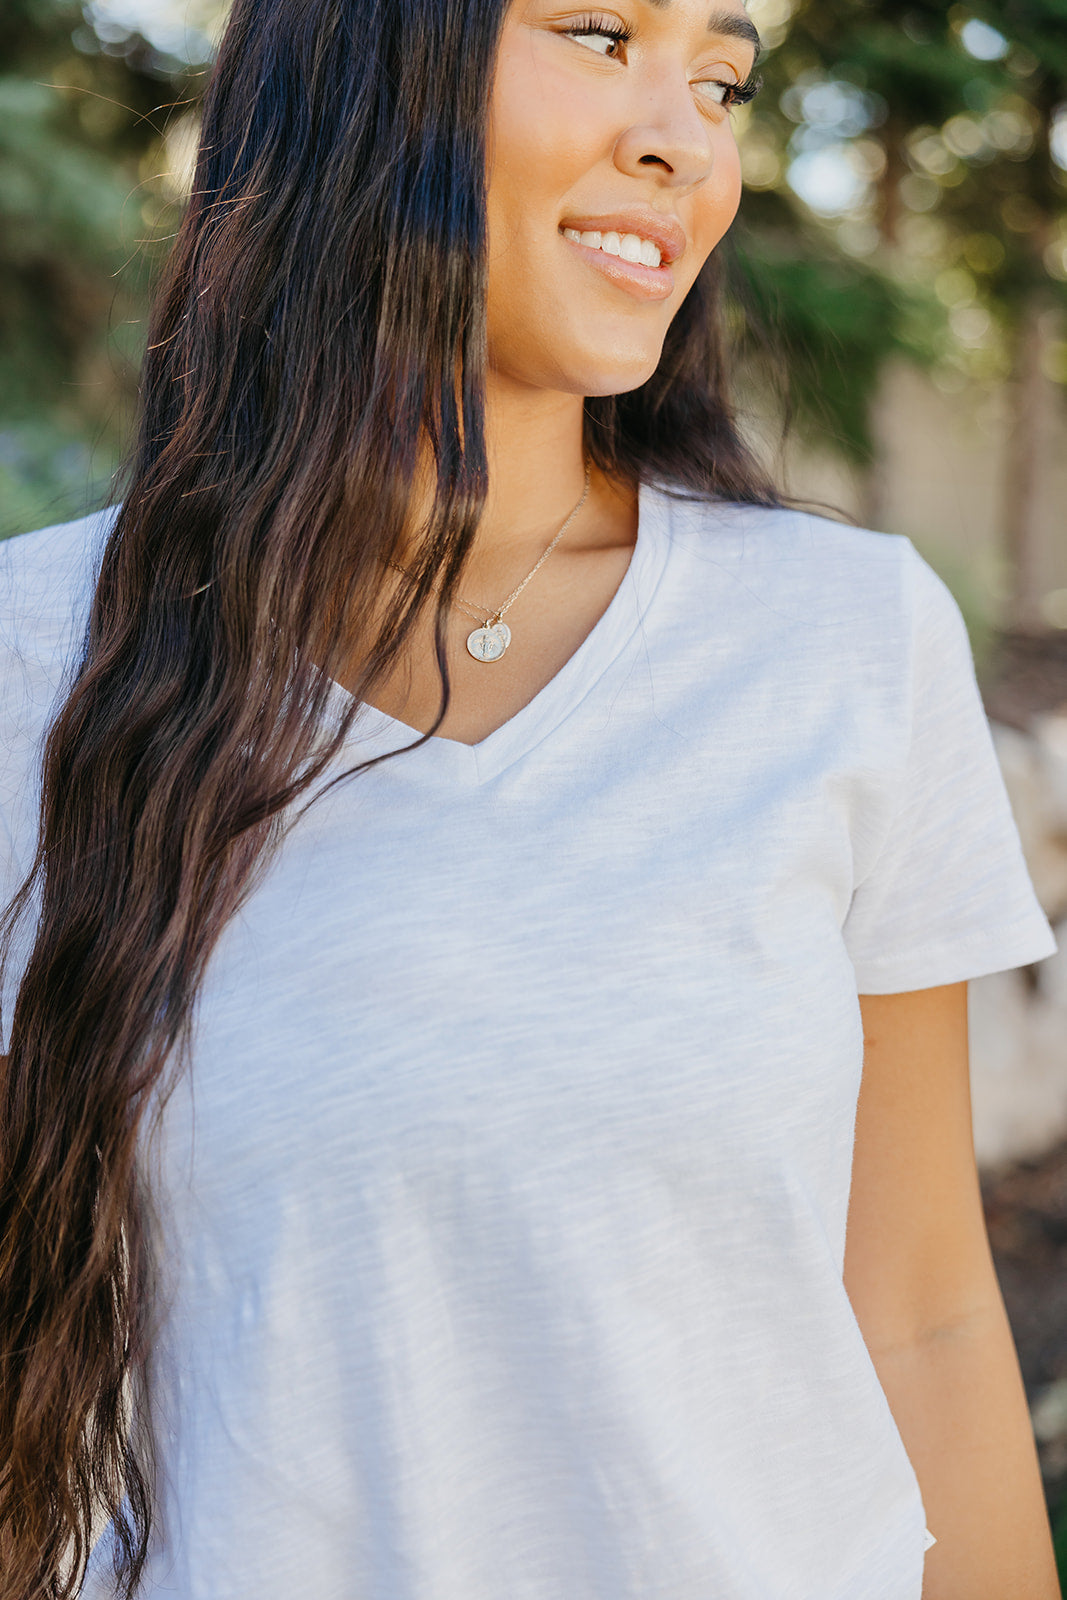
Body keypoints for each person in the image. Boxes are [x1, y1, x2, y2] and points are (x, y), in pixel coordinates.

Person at [0, 0, 1060, 1595]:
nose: (686, 139)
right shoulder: (39, 657)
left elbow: (923, 1312)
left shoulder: (843, 639)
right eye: (600, 33)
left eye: (722, 80)